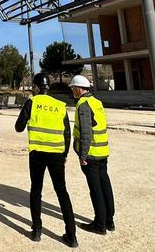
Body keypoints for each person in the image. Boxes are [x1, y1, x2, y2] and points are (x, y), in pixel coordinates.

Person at [14, 72, 78, 248]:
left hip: (37, 154)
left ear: (35, 87)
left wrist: (27, 115)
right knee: (62, 192)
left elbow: (18, 127)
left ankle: (36, 231)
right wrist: (64, 154)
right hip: (57, 154)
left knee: (36, 190)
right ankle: (72, 236)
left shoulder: (32, 102)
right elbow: (67, 133)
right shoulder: (59, 105)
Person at [69, 75, 115, 235]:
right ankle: (109, 220)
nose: (72, 91)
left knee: (95, 189)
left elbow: (86, 131)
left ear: (78, 88)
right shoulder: (97, 102)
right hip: (102, 152)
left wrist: (83, 154)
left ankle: (100, 224)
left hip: (91, 154)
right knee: (105, 185)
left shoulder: (83, 104)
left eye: (73, 88)